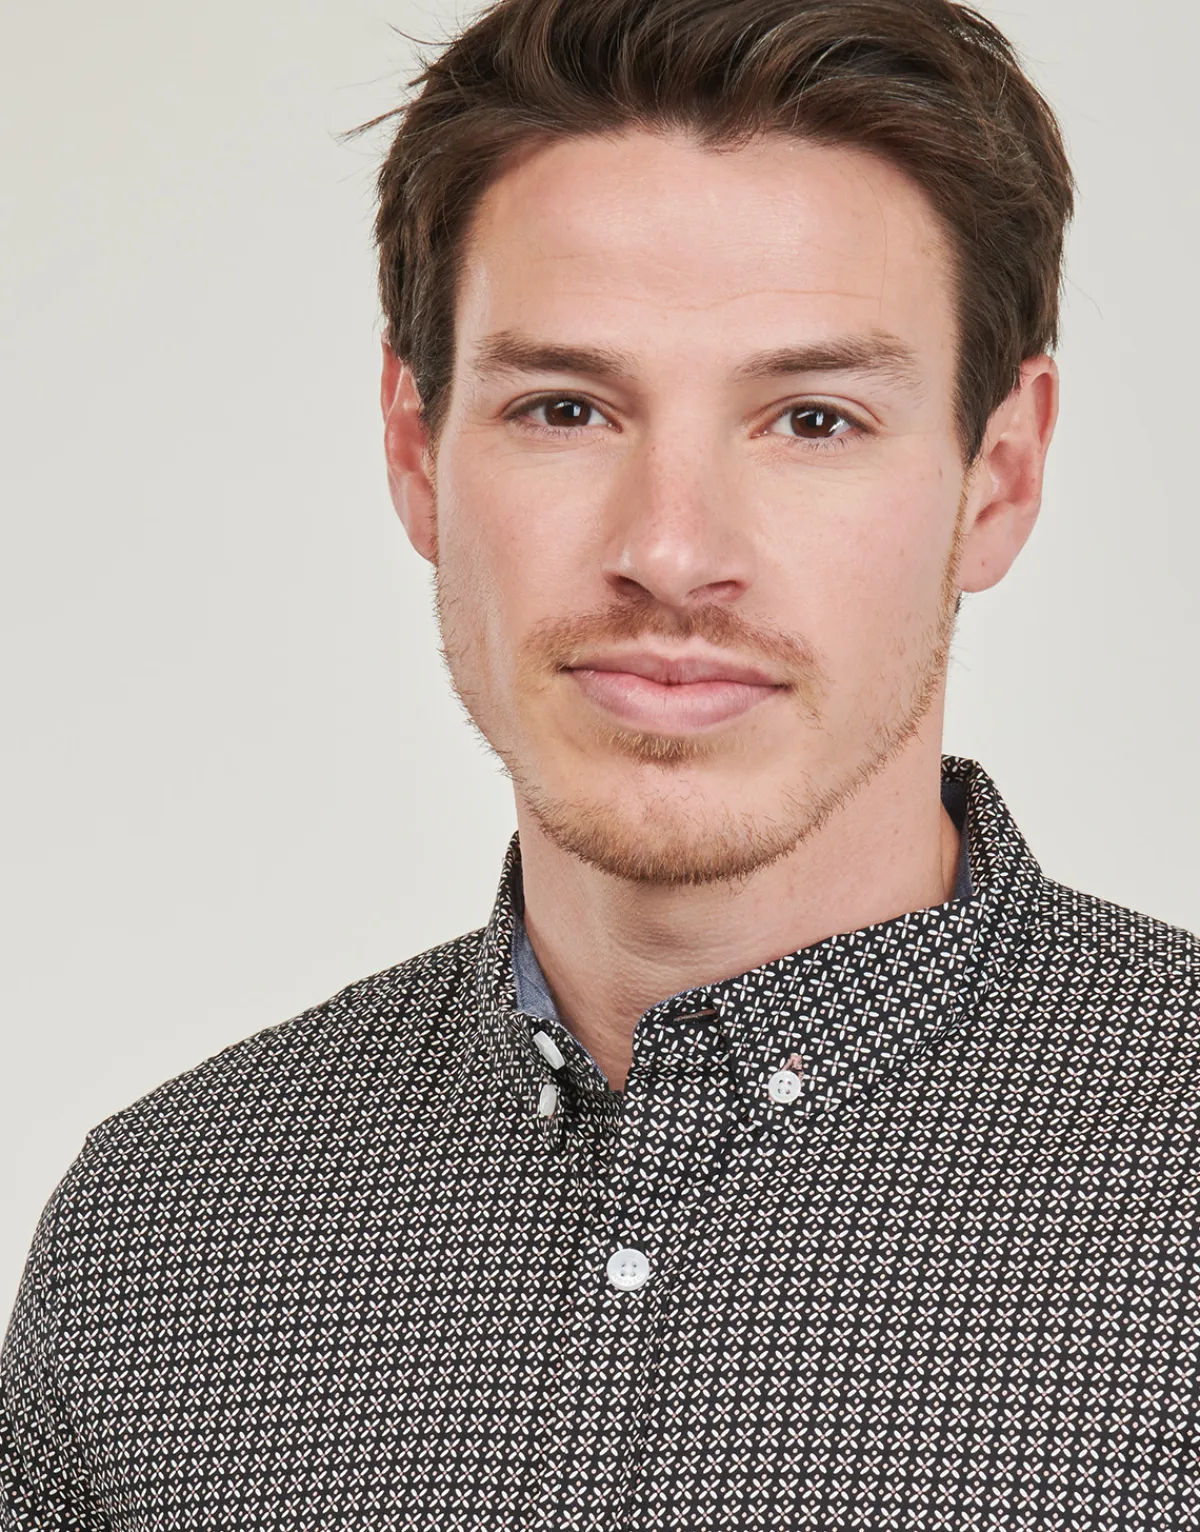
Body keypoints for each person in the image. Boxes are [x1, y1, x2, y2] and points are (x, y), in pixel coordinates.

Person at [3, 0, 1198, 1525]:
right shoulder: (152, 1250)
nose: (672, 551)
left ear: (1001, 476)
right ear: (416, 450)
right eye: (565, 409)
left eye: (813, 419)